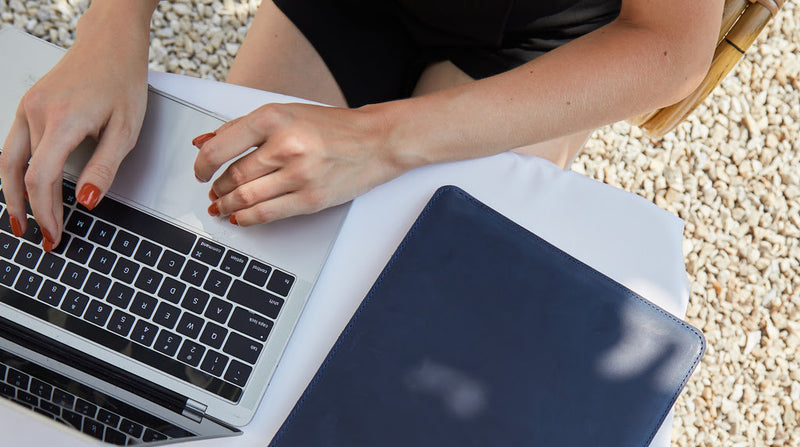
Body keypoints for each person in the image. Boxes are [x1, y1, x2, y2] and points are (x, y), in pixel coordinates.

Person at [0, 0, 724, 251]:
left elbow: (671, 44)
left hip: (538, 32)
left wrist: (381, 139)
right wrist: (111, 27)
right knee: (222, 234)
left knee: (399, 313)